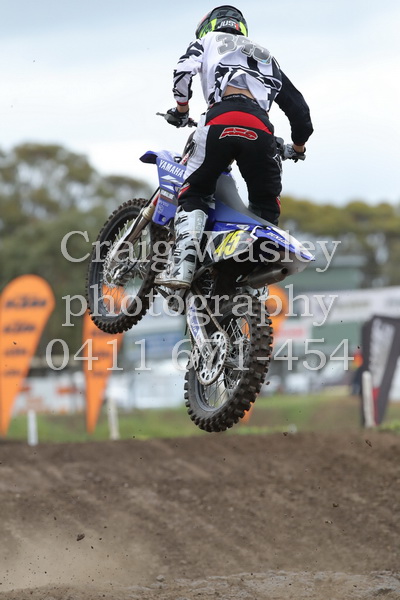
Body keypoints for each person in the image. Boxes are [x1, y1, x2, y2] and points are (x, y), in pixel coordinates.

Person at [155, 5, 313, 289]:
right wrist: (298, 148)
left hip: (221, 120)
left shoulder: (208, 40)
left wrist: (181, 109)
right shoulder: (267, 56)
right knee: (266, 205)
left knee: (195, 191)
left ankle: (183, 266)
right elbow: (300, 111)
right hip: (261, 128)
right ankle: (250, 282)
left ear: (208, 26)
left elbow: (183, 70)